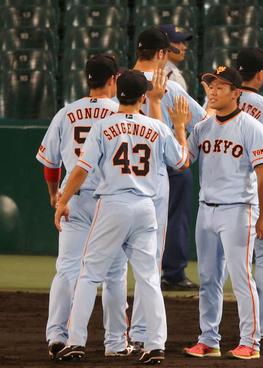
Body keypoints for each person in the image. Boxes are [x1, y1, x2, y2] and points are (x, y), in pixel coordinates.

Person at [53, 70, 190, 364]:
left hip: (113, 205)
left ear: (119, 94)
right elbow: (181, 162)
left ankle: (76, 341)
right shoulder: (157, 127)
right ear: (143, 97)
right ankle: (155, 345)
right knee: (149, 278)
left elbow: (80, 170)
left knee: (89, 275)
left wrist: (62, 200)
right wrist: (179, 127)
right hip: (145, 208)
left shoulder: (103, 127)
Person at [36, 54, 132, 359]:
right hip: (111, 202)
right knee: (114, 273)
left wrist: (56, 196)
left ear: (87, 78)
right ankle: (116, 343)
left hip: (73, 200)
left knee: (67, 269)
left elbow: (50, 165)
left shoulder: (66, 114)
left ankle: (56, 335)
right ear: (114, 79)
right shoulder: (120, 113)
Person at [183, 66, 263, 360]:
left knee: (241, 278)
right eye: (210, 85)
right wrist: (175, 125)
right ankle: (209, 339)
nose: (212, 91)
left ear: (236, 93)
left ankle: (252, 342)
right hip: (206, 209)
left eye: (220, 86)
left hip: (239, 210)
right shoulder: (202, 128)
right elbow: (183, 162)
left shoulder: (251, 127)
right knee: (208, 279)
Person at [133, 28, 206, 293]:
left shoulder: (120, 83)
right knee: (172, 222)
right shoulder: (170, 86)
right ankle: (172, 273)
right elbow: (204, 123)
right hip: (166, 167)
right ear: (162, 53)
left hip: (125, 170)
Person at [236, 47, 263, 341]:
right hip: (260, 186)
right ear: (261, 74)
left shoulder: (220, 100)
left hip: (228, 193)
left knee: (235, 265)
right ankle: (261, 326)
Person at [159, 24, 193, 92]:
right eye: (177, 42)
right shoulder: (172, 75)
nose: (184, 47)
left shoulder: (152, 68)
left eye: (183, 42)